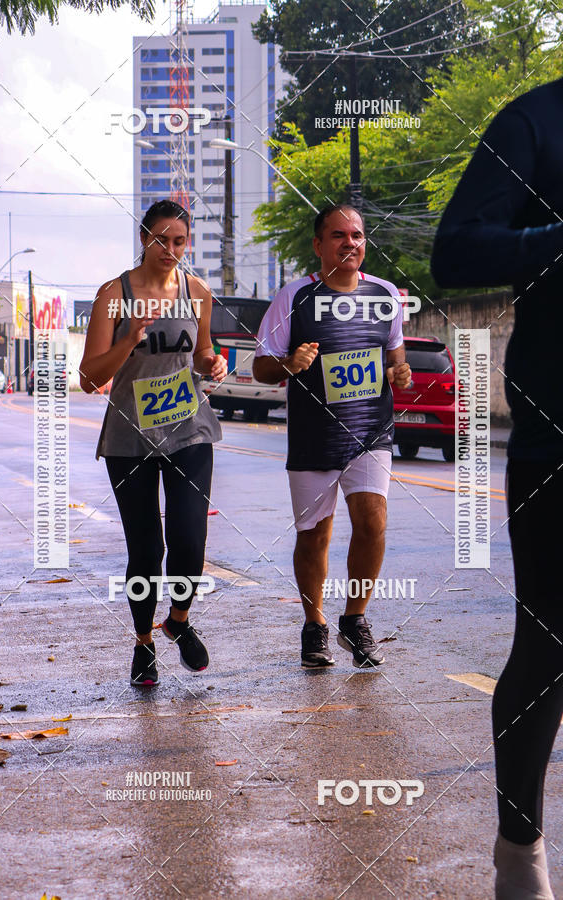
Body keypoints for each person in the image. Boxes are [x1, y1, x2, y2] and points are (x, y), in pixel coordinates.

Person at [431, 77, 563, 899]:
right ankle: (520, 851)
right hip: (558, 428)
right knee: (550, 646)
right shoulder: (532, 124)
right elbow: (456, 251)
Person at [253, 204, 411, 669]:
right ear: (319, 245)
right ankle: (314, 626)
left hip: (370, 431)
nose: (350, 243)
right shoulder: (294, 298)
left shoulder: (385, 295)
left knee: (372, 522)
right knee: (314, 535)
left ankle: (355, 620)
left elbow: (394, 357)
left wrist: (399, 372)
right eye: (339, 235)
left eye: (357, 235)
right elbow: (261, 366)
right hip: (314, 436)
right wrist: (289, 364)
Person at [79, 199, 227, 686]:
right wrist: (127, 341)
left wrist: (212, 364)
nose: (170, 249)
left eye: (179, 241)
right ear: (144, 238)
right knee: (146, 550)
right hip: (129, 437)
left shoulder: (197, 291)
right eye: (161, 239)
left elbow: (202, 351)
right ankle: (143, 642)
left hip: (189, 429)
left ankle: (178, 620)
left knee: (189, 539)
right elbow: (87, 376)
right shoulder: (113, 295)